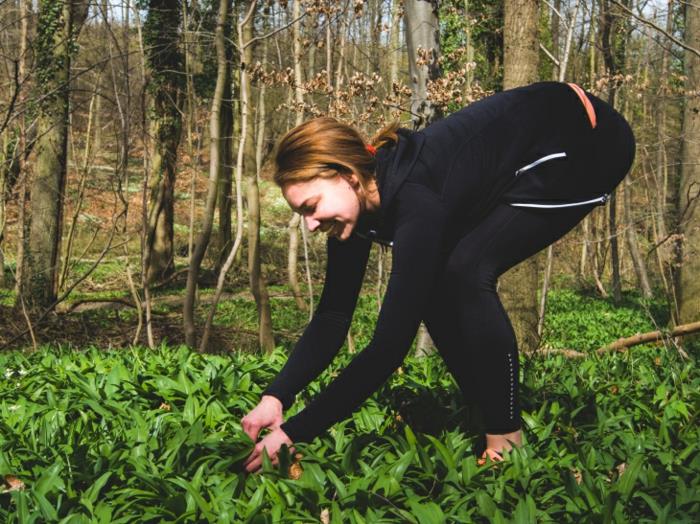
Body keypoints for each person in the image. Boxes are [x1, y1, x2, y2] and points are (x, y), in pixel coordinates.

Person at [241, 81, 635, 473]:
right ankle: (485, 411)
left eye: (311, 206)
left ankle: (505, 437)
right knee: (435, 282)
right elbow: (333, 316)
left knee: (464, 272)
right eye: (301, 214)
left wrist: (294, 432)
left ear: (347, 175)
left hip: (588, 140)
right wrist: (277, 396)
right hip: (536, 140)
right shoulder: (356, 206)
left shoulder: (417, 196)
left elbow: (388, 348)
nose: (310, 225)